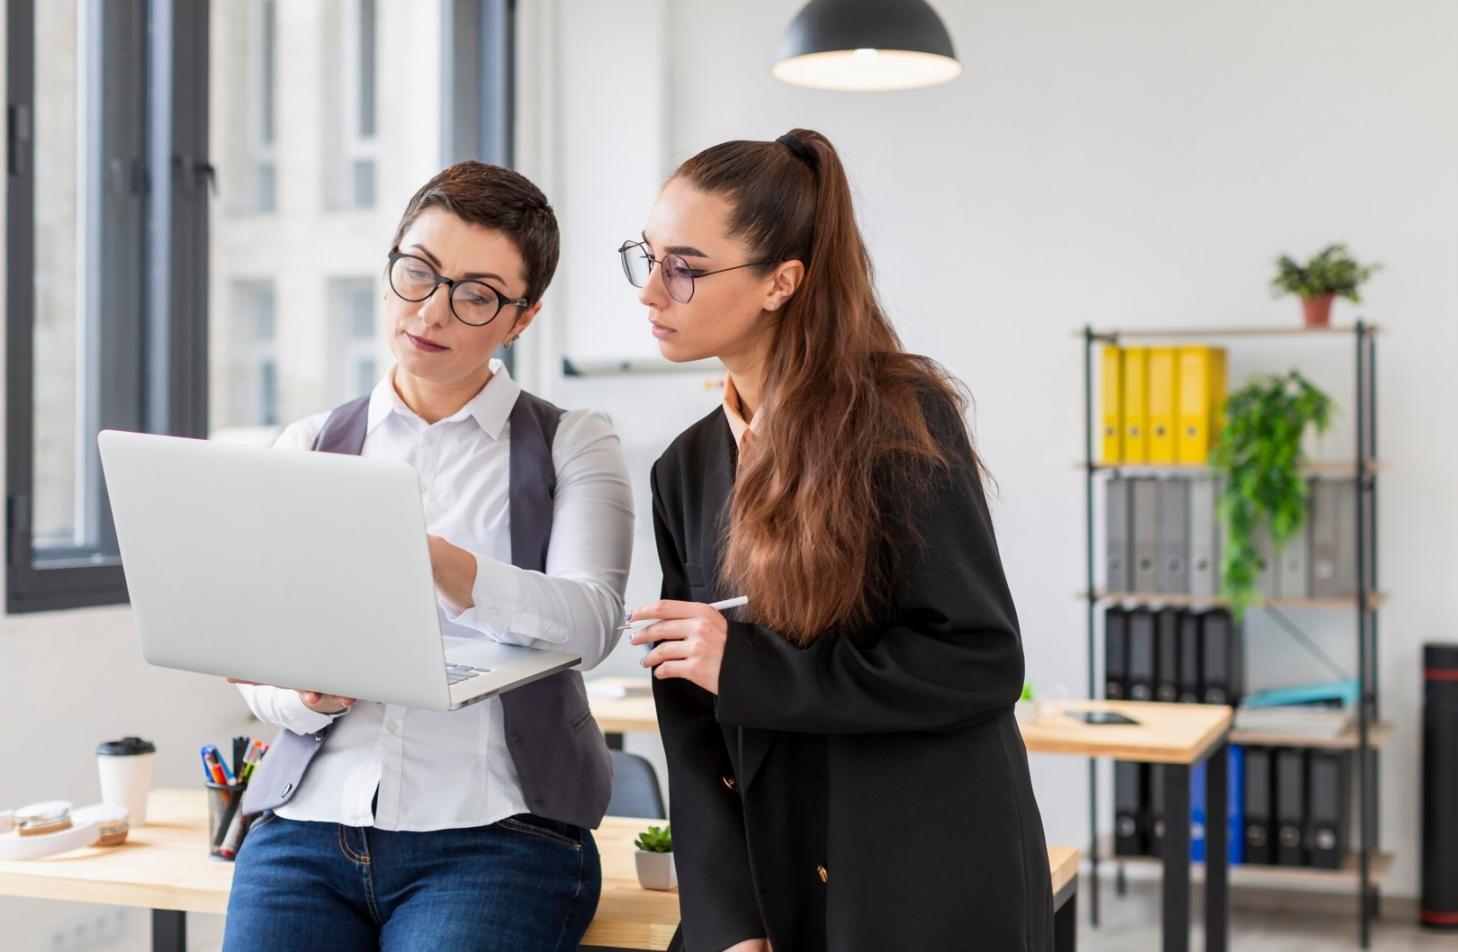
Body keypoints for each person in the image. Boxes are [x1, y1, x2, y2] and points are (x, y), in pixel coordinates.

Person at [619, 129, 1053, 951]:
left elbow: (979, 661)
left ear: (781, 282)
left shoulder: (902, 421)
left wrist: (749, 669)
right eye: (646, 257)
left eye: (683, 265)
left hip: (921, 874)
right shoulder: (685, 470)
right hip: (773, 884)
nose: (650, 292)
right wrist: (726, 922)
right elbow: (690, 726)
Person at [222, 161, 634, 952]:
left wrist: (440, 563)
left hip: (496, 836)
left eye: (475, 294)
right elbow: (254, 662)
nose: (432, 310)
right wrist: (303, 697)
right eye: (418, 273)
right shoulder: (308, 445)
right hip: (307, 828)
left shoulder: (572, 442)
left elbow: (593, 624)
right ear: (390, 271)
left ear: (522, 317)